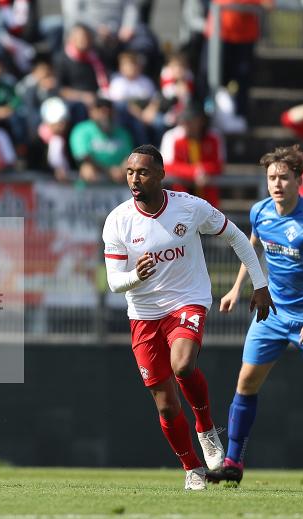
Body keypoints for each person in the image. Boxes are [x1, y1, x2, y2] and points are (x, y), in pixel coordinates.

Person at [102, 144, 273, 490]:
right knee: (165, 405)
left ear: (161, 174)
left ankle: (206, 428)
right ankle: (192, 468)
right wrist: (137, 275)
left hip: (187, 301)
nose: (135, 179)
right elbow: (113, 281)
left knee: (182, 365)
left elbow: (236, 237)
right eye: (131, 172)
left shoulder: (189, 207)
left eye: (144, 172)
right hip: (144, 314)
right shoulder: (118, 220)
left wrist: (260, 283)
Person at [207, 145, 303, 485]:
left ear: (298, 179)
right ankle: (233, 463)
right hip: (274, 315)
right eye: (271, 178)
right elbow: (252, 247)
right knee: (246, 382)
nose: (277, 184)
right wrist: (238, 288)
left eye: (283, 177)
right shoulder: (260, 212)